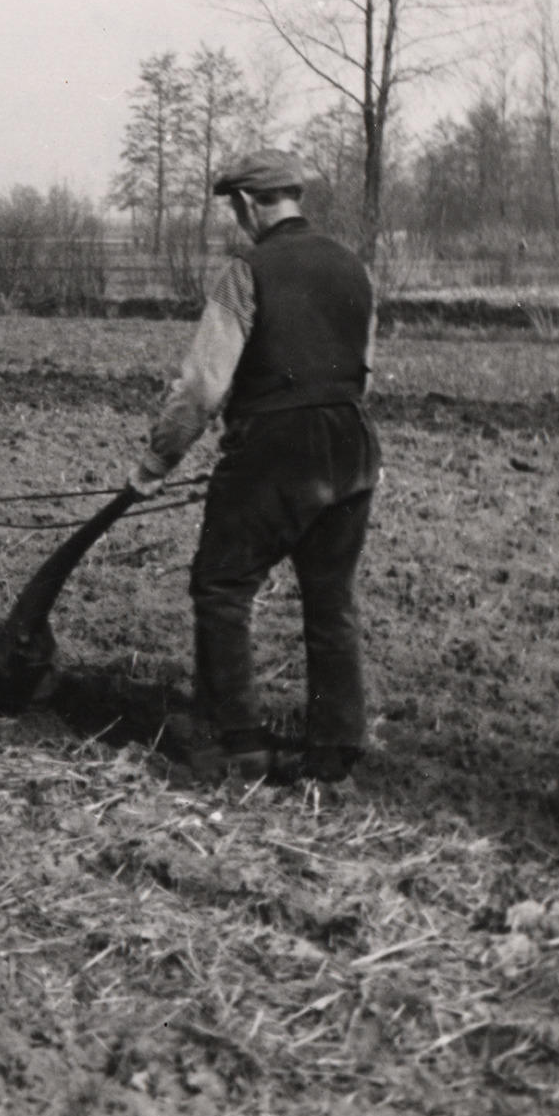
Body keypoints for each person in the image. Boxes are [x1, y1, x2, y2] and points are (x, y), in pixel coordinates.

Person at [127, 149, 380, 786]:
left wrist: (157, 461)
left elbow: (202, 388)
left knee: (221, 586)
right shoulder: (354, 268)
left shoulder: (245, 272)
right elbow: (363, 369)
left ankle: (235, 742)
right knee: (331, 598)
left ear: (244, 203)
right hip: (353, 445)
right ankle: (335, 750)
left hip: (276, 449)